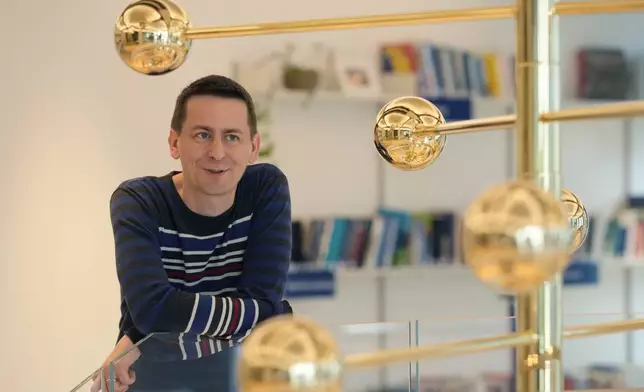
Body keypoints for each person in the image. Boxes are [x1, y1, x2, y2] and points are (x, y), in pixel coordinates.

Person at [92, 75, 294, 392]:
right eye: (202, 135)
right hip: (154, 381)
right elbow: (152, 310)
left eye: (231, 137)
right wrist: (264, 313)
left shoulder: (265, 189)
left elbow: (264, 303)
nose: (217, 152)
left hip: (242, 378)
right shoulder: (139, 201)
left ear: (253, 147)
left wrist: (139, 336)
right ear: (175, 142)